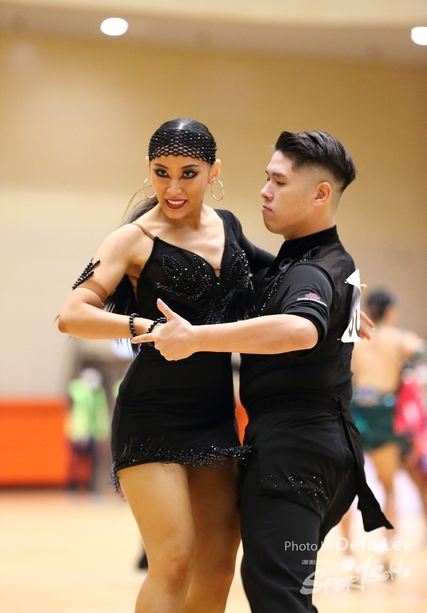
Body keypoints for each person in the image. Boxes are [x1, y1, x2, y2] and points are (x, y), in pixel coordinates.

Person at [134, 130, 392, 612]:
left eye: (279, 181)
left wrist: (196, 337)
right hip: (321, 447)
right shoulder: (305, 263)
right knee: (276, 585)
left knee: (277, 592)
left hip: (297, 450)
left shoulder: (312, 270)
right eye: (266, 178)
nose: (265, 191)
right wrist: (345, 300)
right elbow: (270, 278)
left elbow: (301, 328)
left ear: (320, 194)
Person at [58, 118, 274, 613]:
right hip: (151, 414)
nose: (173, 188)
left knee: (218, 569)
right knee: (174, 561)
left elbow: (282, 275)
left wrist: (342, 292)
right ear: (149, 170)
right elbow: (72, 315)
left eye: (188, 174)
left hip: (215, 416)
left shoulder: (229, 227)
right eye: (162, 172)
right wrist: (148, 327)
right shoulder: (132, 239)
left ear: (214, 172)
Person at [341, 288, 427, 566]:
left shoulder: (355, 338)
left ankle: (348, 556)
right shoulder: (400, 339)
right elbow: (422, 354)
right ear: (390, 310)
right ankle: (386, 547)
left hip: (356, 410)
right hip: (383, 413)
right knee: (388, 485)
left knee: (346, 487)